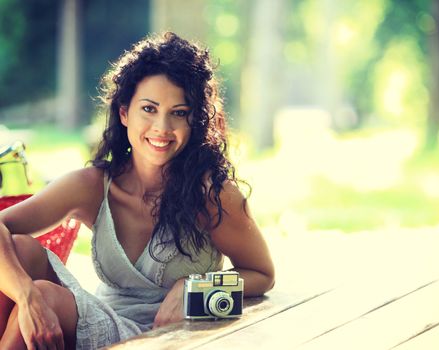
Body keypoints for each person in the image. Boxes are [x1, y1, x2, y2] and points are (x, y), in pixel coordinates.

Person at [0, 32, 275, 349]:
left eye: (179, 113)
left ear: (194, 121)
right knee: (19, 252)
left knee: (45, 295)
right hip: (104, 321)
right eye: (149, 109)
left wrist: (194, 286)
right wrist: (25, 293)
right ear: (124, 113)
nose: (162, 127)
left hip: (175, 336)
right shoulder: (93, 186)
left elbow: (261, 273)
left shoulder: (211, 193)